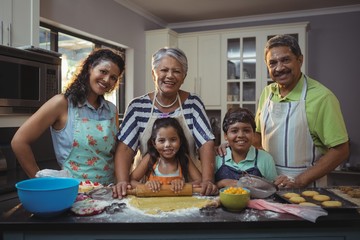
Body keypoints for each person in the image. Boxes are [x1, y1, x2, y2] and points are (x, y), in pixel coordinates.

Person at [218, 35, 350, 188]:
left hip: (306, 189)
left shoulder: (322, 97)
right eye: (272, 63)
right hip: (268, 185)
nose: (279, 68)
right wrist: (232, 145)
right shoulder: (267, 93)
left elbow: (341, 150)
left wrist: (299, 180)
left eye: (285, 60)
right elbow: (257, 138)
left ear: (300, 60)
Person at [113, 47, 217, 198]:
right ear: (153, 74)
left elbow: (206, 143)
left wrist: (207, 180)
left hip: (188, 189)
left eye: (176, 71)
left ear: (184, 76)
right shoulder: (137, 106)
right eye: (164, 70)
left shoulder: (193, 103)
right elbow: (125, 149)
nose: (170, 76)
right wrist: (122, 181)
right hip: (148, 188)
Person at [11, 48, 125, 185]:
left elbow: (116, 154)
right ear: (90, 68)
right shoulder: (62, 104)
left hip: (109, 192)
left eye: (113, 77)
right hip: (75, 195)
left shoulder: (112, 110)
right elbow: (19, 142)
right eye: (103, 71)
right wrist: (39, 182)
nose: (107, 80)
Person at [130, 117, 202, 193]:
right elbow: (131, 180)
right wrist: (146, 186)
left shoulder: (183, 158)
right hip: (152, 204)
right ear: (154, 143)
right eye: (161, 140)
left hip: (179, 204)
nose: (167, 145)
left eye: (173, 140)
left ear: (180, 141)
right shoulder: (150, 158)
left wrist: (183, 185)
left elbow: (200, 181)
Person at [215, 107, 277, 189]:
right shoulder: (218, 159)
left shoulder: (266, 159)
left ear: (254, 134)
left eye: (246, 130)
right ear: (225, 136)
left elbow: (273, 189)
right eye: (234, 131)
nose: (241, 135)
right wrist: (221, 184)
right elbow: (209, 187)